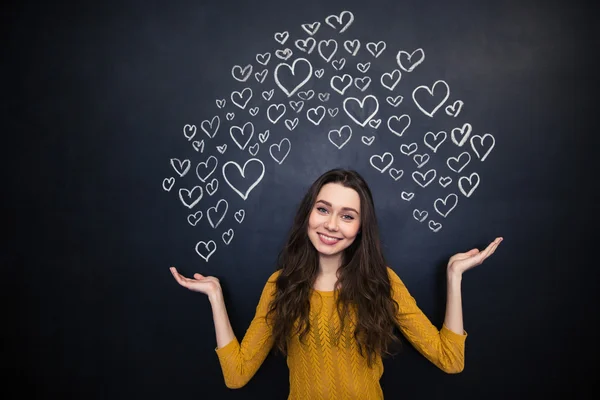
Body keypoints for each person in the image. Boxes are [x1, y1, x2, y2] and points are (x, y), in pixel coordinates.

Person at [170, 168, 502, 399]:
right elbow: (237, 375)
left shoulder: (381, 283)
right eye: (323, 209)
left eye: (347, 215)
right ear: (308, 216)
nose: (331, 225)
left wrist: (453, 277)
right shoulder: (280, 285)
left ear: (360, 228)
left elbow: (451, 359)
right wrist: (215, 296)